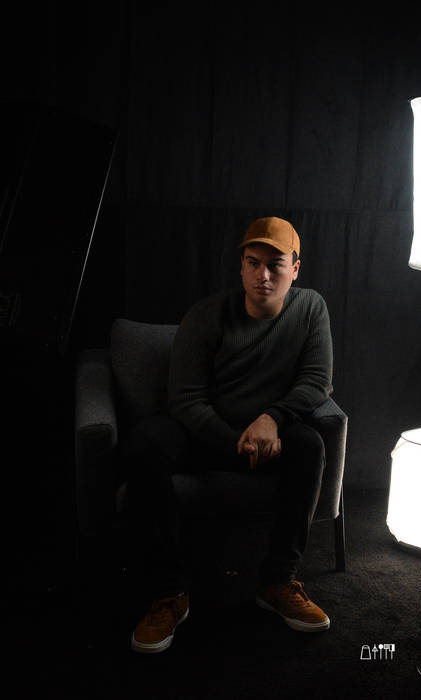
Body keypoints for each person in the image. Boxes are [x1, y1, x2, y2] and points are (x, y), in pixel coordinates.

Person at [123, 216, 334, 654]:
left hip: (269, 438)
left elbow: (317, 382)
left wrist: (273, 418)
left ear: (295, 269)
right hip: (205, 435)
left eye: (275, 265)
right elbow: (185, 399)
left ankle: (276, 582)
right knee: (147, 442)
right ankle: (169, 594)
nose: (263, 275)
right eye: (253, 263)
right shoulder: (206, 315)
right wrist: (233, 443)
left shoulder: (310, 308)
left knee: (310, 445)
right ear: (241, 267)